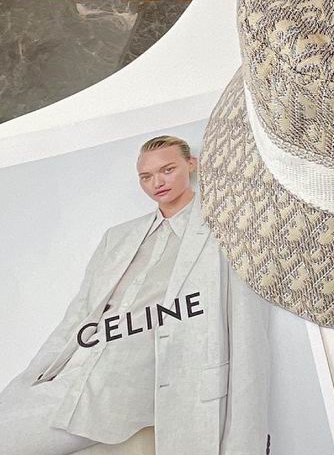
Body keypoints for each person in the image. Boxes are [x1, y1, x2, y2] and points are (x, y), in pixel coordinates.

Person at [0, 135, 272, 455]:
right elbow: (77, 316)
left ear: (191, 164)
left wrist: (245, 445)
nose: (157, 182)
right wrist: (30, 379)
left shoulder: (226, 230)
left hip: (137, 383)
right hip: (78, 370)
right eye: (146, 176)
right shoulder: (118, 237)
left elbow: (247, 336)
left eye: (167, 170)